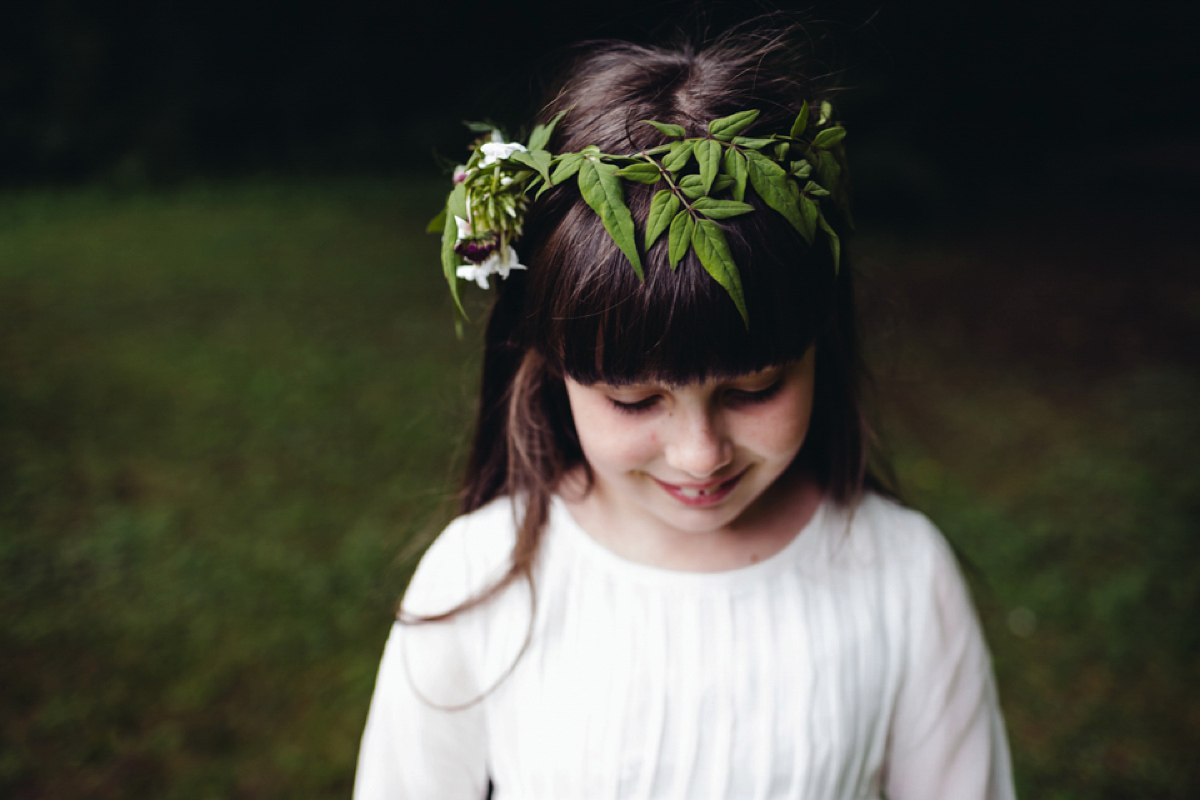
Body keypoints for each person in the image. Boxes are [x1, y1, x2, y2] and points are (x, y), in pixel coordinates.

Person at [354, 27, 1017, 800]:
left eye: (754, 389)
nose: (701, 455)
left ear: (818, 346)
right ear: (551, 368)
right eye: (635, 400)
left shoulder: (902, 578)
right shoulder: (478, 582)